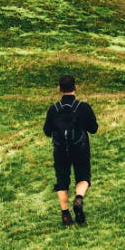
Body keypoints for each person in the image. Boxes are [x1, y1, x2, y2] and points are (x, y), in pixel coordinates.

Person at [43, 74, 99, 226]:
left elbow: (47, 131)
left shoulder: (53, 109)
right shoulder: (84, 107)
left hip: (60, 150)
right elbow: (94, 129)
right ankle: (79, 198)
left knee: (62, 181)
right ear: (75, 87)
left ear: (59, 89)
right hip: (80, 148)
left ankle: (66, 215)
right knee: (83, 176)